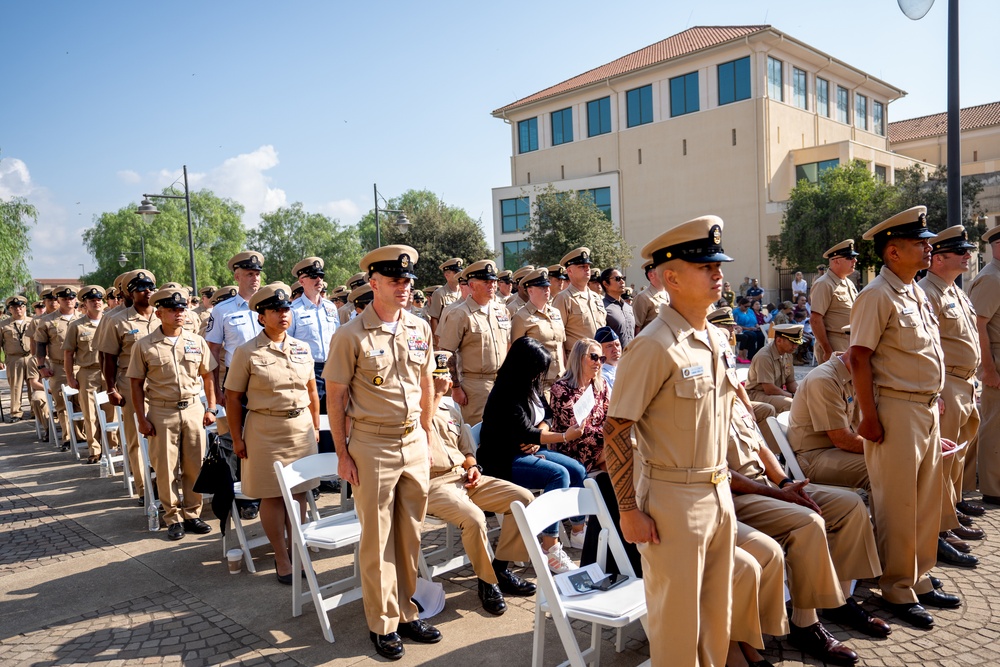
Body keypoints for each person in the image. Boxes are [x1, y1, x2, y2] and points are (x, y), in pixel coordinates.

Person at [604, 215, 740, 666]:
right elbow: (616, 432)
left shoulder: (717, 337)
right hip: (673, 499)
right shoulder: (653, 345)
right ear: (671, 278)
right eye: (705, 266)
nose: (718, 273)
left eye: (718, 264)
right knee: (677, 630)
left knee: (716, 622)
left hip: (719, 492)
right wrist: (627, 509)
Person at [323, 244, 441, 660]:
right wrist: (342, 453)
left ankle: (408, 610)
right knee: (377, 539)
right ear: (374, 284)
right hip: (371, 445)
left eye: (408, 280)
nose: (405, 286)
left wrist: (426, 435)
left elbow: (427, 384)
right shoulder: (350, 335)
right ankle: (383, 622)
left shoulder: (419, 327)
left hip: (412, 442)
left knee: (410, 535)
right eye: (396, 280)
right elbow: (335, 400)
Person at [850, 205, 956, 629]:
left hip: (925, 408)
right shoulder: (876, 294)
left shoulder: (911, 290)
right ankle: (895, 587)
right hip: (895, 410)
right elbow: (859, 357)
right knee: (899, 502)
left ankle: (919, 576)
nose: (929, 248)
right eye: (920, 243)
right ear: (892, 252)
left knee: (927, 498)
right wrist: (868, 417)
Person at [727, 398, 883, 664]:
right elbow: (720, 473)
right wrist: (775, 493)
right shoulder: (703, 403)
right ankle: (805, 625)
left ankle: (841, 603)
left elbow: (761, 448)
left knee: (850, 506)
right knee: (808, 522)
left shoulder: (733, 396)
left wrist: (786, 483)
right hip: (737, 496)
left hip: (766, 485)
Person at [224, 282, 320, 583]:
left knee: (300, 492)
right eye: (275, 310)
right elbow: (232, 397)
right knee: (273, 495)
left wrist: (316, 427)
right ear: (261, 317)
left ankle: (296, 549)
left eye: (286, 309)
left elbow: (312, 391)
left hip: (300, 428)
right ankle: (281, 557)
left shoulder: (301, 347)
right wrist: (238, 438)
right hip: (264, 430)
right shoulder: (246, 352)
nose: (283, 314)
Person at [424, 362, 537, 616]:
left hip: (462, 475)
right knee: (475, 518)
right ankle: (487, 583)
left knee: (523, 498)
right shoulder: (412, 407)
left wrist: (473, 467)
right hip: (432, 484)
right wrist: (437, 393)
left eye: (443, 374)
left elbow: (465, 448)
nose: (443, 378)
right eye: (437, 375)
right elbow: (420, 426)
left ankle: (500, 568)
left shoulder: (448, 408)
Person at [477, 336, 586, 574]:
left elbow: (545, 417)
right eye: (537, 369)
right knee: (558, 475)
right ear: (524, 366)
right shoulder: (505, 392)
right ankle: (550, 547)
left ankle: (578, 530)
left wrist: (542, 433)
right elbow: (527, 432)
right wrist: (564, 437)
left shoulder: (531, 384)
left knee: (577, 470)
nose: (540, 375)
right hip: (504, 459)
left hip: (531, 450)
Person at [919, 226, 987, 559]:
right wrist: (936, 390)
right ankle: (942, 525)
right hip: (945, 383)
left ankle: (953, 508)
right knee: (942, 461)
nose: (967, 256)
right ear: (939, 259)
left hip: (964, 381)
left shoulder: (955, 290)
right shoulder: (926, 292)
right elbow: (926, 348)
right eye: (960, 252)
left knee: (957, 458)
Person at [127, 287, 216, 540]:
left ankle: (192, 513)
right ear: (159, 312)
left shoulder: (195, 341)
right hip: (161, 411)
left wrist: (210, 407)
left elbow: (208, 374)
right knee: (166, 468)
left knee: (195, 465)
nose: (179, 314)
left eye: (181, 309)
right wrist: (141, 418)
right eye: (172, 310)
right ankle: (172, 516)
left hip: (193, 409)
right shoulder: (144, 345)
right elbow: (135, 383)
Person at [205, 251, 265, 520]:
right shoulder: (222, 310)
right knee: (238, 442)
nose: (255, 279)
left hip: (267, 381)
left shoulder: (271, 306)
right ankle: (246, 497)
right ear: (237, 276)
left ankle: (269, 490)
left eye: (257, 274)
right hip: (236, 383)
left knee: (265, 437)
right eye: (249, 274)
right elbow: (212, 353)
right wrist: (216, 391)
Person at [96, 270, 161, 500]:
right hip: (129, 383)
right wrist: (110, 388)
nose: (148, 292)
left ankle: (163, 484)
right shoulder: (117, 320)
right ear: (131, 294)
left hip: (161, 383)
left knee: (162, 436)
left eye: (150, 287)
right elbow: (108, 358)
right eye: (142, 288)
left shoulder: (163, 314)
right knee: (136, 436)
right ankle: (144, 489)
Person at [437, 260, 511, 426]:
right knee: (478, 435)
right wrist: (455, 388)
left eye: (493, 281)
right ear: (471, 285)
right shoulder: (460, 314)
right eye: (486, 282)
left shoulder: (500, 310)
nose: (492, 285)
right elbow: (446, 353)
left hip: (502, 382)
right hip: (475, 386)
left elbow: (507, 344)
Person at [786, 348, 871, 492]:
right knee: (882, 466)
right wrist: (884, 449)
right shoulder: (825, 380)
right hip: (813, 457)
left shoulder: (852, 373)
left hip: (832, 450)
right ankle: (888, 515)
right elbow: (842, 439)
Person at [287, 257, 339, 460]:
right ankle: (311, 467)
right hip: (307, 369)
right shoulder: (294, 310)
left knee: (332, 414)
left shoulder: (330, 308)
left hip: (331, 367)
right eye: (313, 277)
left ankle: (329, 468)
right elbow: (288, 342)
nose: (319, 280)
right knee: (311, 417)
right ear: (302, 281)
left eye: (321, 276)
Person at [63, 285, 115, 464]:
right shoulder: (76, 326)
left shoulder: (111, 321)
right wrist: (70, 376)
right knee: (90, 414)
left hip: (108, 372)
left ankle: (113, 447)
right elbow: (69, 353)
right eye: (92, 300)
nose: (97, 302)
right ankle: (95, 450)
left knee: (111, 412)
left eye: (99, 299)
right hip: (88, 373)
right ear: (85, 303)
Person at [35, 285, 85, 448]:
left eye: (71, 298)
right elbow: (40, 345)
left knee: (81, 402)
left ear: (76, 299)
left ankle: (82, 435)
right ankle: (68, 437)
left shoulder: (83, 318)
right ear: (58, 300)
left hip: (82, 367)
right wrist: (41, 366)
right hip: (59, 367)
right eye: (64, 298)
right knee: (63, 403)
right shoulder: (47, 321)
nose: (69, 301)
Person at [972, 226, 1000, 507]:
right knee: (995, 426)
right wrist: (988, 369)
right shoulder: (991, 278)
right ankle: (993, 488)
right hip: (997, 359)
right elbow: (978, 325)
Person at [510, 267, 566, 394]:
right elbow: (515, 354)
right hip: (538, 382)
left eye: (547, 287)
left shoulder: (555, 313)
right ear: (530, 290)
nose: (547, 290)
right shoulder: (521, 316)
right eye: (542, 288)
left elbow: (561, 344)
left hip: (560, 379)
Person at [810, 240, 859, 364]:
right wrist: (827, 350)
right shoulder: (824, 284)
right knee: (835, 383)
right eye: (850, 258)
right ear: (836, 260)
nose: (855, 261)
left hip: (850, 342)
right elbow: (815, 319)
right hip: (835, 344)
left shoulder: (848, 282)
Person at [552, 247, 607, 354]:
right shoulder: (564, 298)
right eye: (582, 266)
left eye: (588, 266)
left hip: (599, 357)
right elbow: (558, 337)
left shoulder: (596, 297)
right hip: (577, 359)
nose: (587, 269)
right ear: (569, 271)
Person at [745, 323, 801, 413]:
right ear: (779, 340)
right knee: (791, 403)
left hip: (775, 392)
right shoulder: (764, 356)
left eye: (797, 343)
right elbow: (769, 389)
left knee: (805, 399)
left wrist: (800, 392)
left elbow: (790, 382)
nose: (795, 346)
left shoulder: (787, 353)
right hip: (757, 394)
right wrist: (793, 396)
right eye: (792, 342)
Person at [1, 295, 32, 421]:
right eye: (14, 307)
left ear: (25, 308)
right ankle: (15, 412)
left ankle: (36, 410)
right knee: (15, 386)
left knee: (33, 385)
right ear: (9, 309)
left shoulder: (33, 321)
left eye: (20, 306)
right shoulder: (3, 324)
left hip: (31, 357)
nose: (18, 309)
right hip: (14, 358)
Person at [426, 257, 464, 340]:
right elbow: (434, 319)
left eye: (459, 272)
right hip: (446, 339)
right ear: (446, 275)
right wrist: (439, 344)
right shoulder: (439, 293)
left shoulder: (464, 292)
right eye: (455, 272)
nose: (459, 275)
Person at [631, 260, 669, 336]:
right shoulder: (643, 297)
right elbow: (636, 327)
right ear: (651, 275)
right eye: (662, 270)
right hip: (652, 344)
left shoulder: (669, 294)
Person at [600, 268, 634, 348]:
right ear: (606, 284)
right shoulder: (602, 307)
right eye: (617, 279)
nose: (622, 282)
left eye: (623, 278)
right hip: (614, 358)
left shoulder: (628, 307)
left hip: (632, 357)